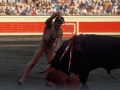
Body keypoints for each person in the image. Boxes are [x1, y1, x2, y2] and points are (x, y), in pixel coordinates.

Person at [18, 12, 65, 86]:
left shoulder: (60, 31)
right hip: (42, 45)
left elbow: (58, 42)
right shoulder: (50, 24)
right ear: (55, 22)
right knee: (33, 61)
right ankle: (22, 78)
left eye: (60, 24)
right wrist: (54, 15)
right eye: (58, 23)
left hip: (50, 47)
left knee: (50, 64)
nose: (59, 25)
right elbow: (47, 21)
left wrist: (56, 51)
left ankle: (48, 80)